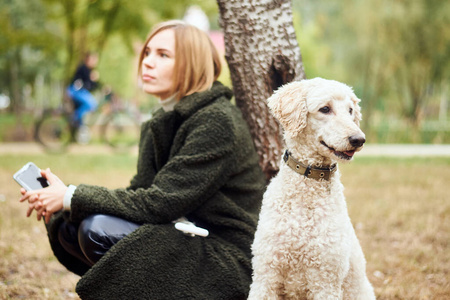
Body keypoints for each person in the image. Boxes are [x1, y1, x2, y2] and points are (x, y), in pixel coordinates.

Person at [19, 20, 266, 299]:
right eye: (147, 52)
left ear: (192, 63)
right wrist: (65, 202)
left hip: (227, 258)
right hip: (187, 234)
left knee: (96, 229)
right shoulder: (160, 122)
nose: (147, 62)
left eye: (163, 55)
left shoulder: (217, 121)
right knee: (70, 226)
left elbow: (160, 203)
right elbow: (140, 194)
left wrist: (72, 196)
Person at [67, 52, 99, 127]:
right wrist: (92, 80)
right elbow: (83, 84)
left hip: (77, 91)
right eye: (92, 59)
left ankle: (78, 125)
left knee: (84, 107)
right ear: (87, 59)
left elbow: (90, 86)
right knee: (92, 103)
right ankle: (74, 118)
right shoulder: (84, 69)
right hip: (75, 91)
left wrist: (94, 81)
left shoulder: (88, 70)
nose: (94, 62)